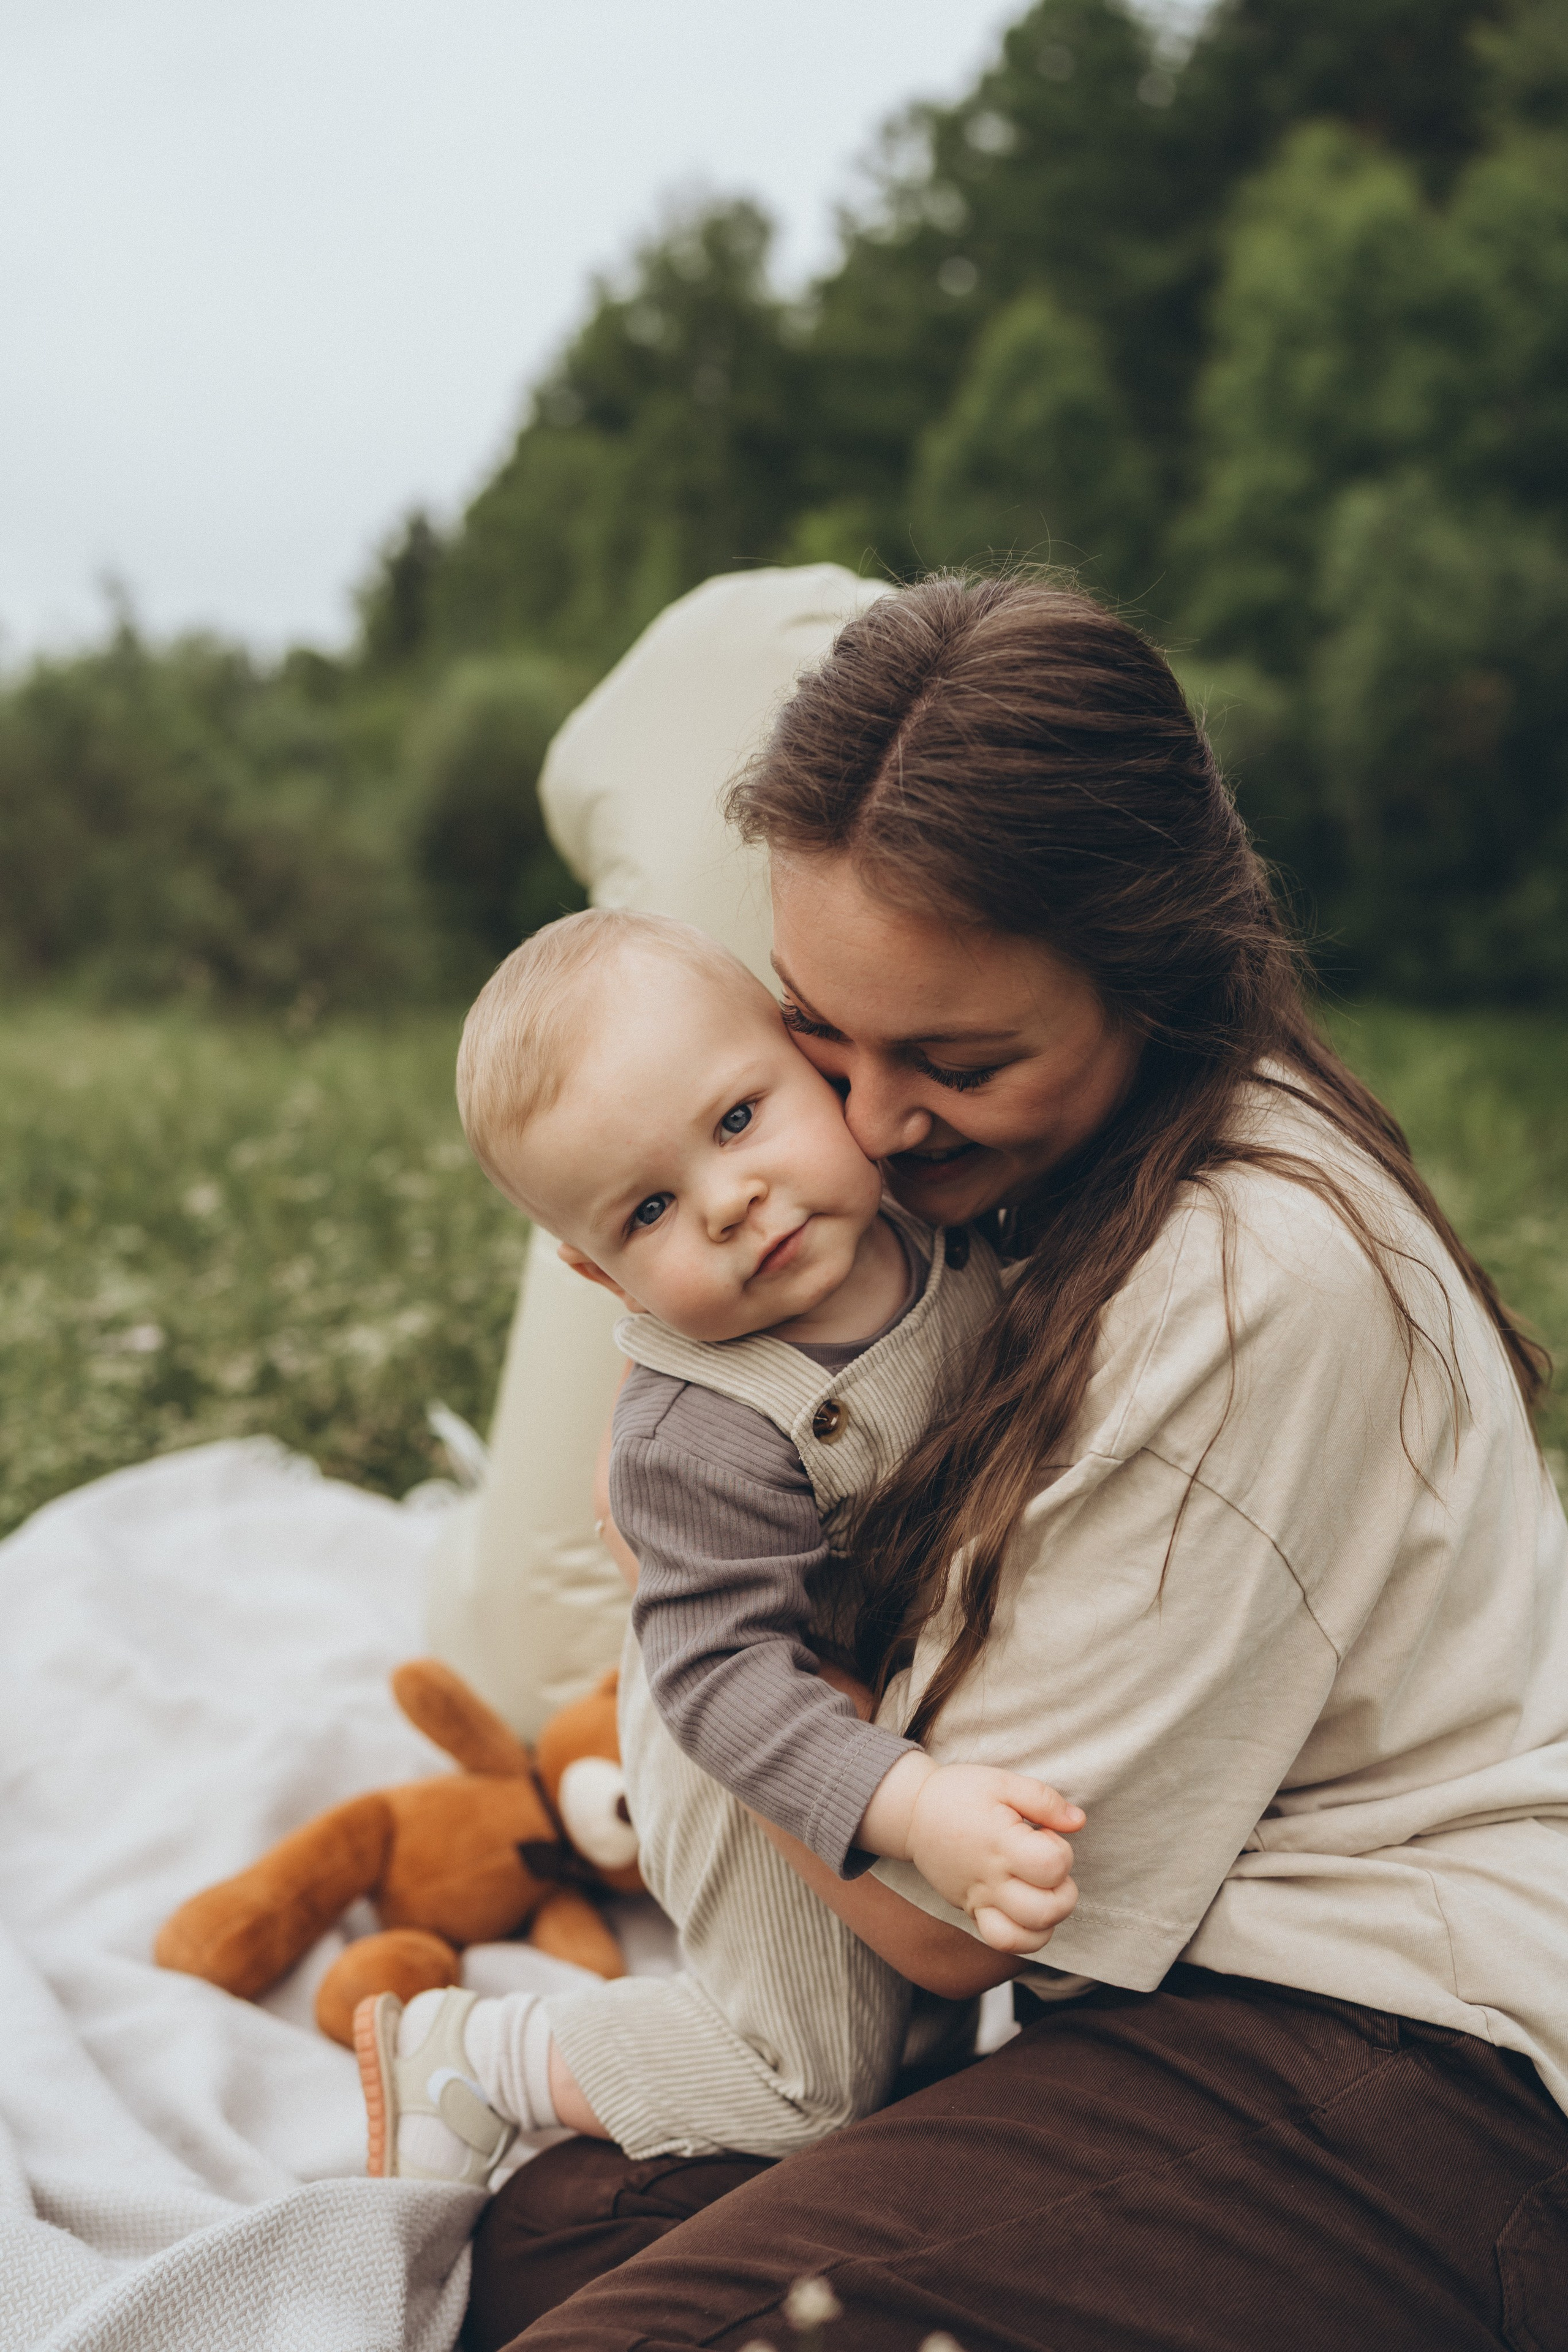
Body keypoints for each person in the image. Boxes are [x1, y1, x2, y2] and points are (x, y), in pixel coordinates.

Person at [464, 573, 1568, 2352]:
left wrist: (711, 1657)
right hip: (1173, 2002)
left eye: (957, 1060)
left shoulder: (1244, 1277)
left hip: (1415, 2047)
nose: (877, 1127)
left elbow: (953, 1933)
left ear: (1151, 967)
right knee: (552, 2235)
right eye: (823, 1036)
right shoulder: (999, 1203)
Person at [356, 907, 1081, 2184]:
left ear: (815, 1062)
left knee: (923, 2047)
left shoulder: (936, 1221)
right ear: (600, 1278)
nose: (731, 1201)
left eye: (739, 1119)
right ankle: (481, 2054)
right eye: (648, 1209)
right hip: (754, 1759)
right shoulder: (693, 1434)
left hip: (885, 1711)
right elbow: (722, 1681)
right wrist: (905, 1804)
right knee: (808, 2085)